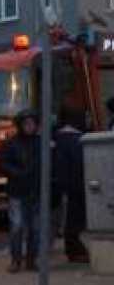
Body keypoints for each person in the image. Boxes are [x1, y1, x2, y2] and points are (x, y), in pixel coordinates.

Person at [0, 109, 42, 273]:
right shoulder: (11, 144)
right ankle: (16, 259)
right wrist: (17, 173)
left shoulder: (40, 143)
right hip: (17, 190)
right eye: (26, 124)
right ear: (20, 125)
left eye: (32, 123)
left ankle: (32, 259)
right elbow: (2, 164)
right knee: (17, 225)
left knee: (35, 227)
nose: (29, 127)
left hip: (35, 190)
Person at [54, 107, 90, 263]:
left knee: (70, 219)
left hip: (64, 187)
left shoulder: (57, 138)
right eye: (86, 117)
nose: (88, 120)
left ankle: (74, 250)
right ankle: (75, 251)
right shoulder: (77, 140)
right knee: (73, 220)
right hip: (75, 186)